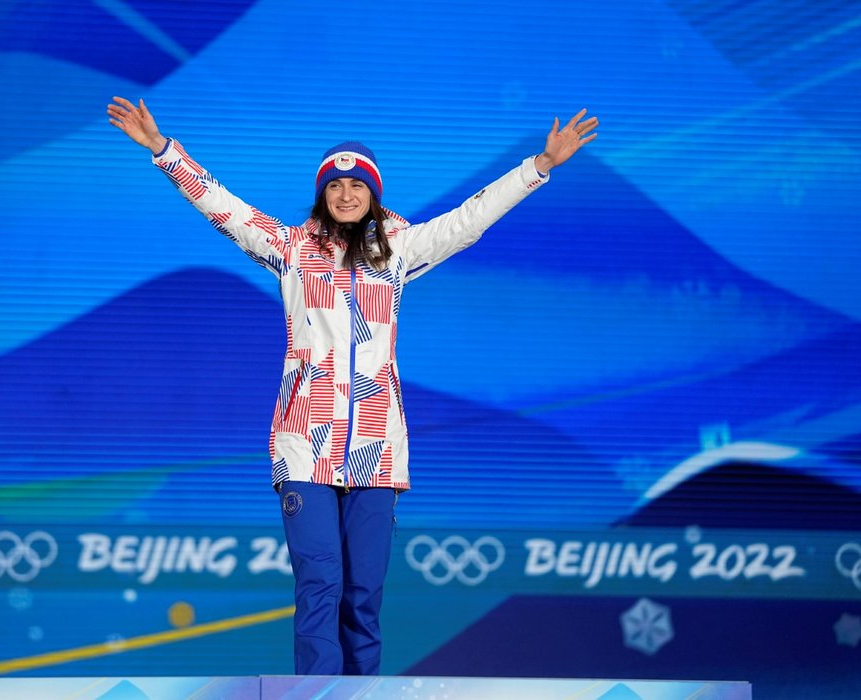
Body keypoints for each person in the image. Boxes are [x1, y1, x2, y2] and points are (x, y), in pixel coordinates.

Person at [106, 96, 598, 676]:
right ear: (322, 194)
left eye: (356, 185)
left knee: (362, 597)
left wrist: (537, 166)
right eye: (335, 184)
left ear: (372, 195)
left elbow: (469, 221)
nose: (345, 194)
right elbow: (224, 208)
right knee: (320, 584)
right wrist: (164, 151)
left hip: (375, 450)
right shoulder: (290, 250)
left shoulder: (399, 253)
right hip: (304, 447)